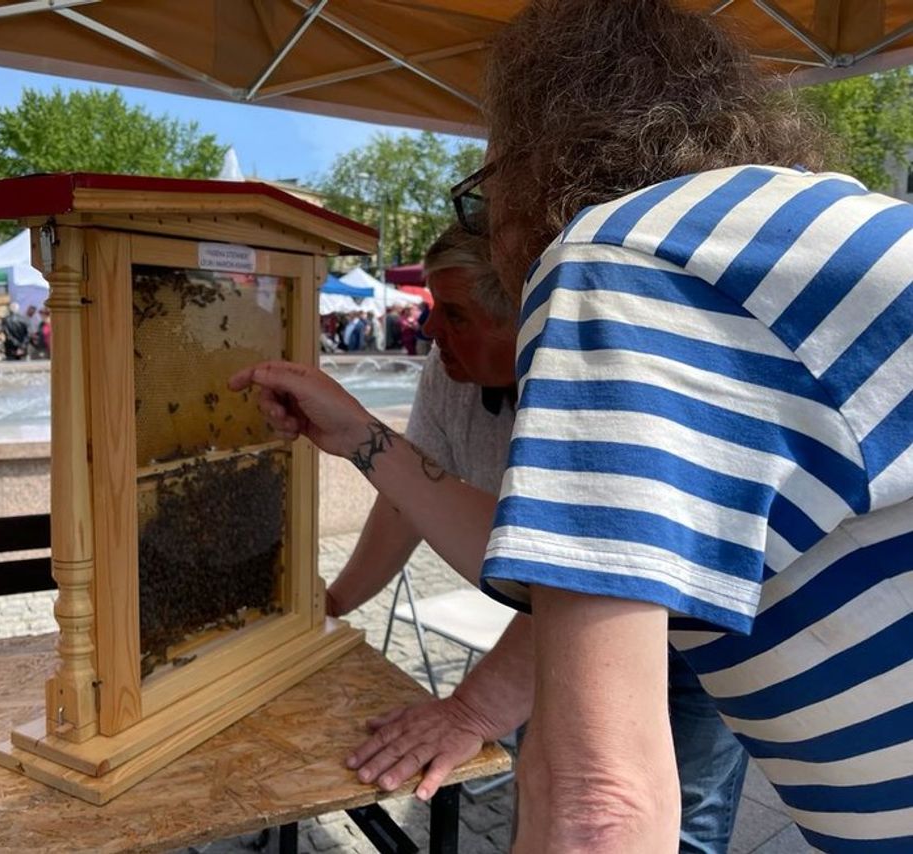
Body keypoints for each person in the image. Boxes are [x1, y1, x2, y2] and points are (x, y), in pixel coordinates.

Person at [232, 2, 913, 850]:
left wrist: (473, 711)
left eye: (483, 195)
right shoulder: (792, 237)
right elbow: (566, 565)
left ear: (538, 164)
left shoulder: (617, 260)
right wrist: (364, 439)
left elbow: (602, 806)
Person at [328, 223, 748, 854]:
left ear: (528, 319)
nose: (430, 329)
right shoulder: (452, 373)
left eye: (457, 314)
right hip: (568, 618)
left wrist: (472, 710)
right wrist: (332, 601)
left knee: (661, 821)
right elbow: (410, 500)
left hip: (699, 634)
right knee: (548, 795)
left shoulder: (597, 373)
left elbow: (587, 570)